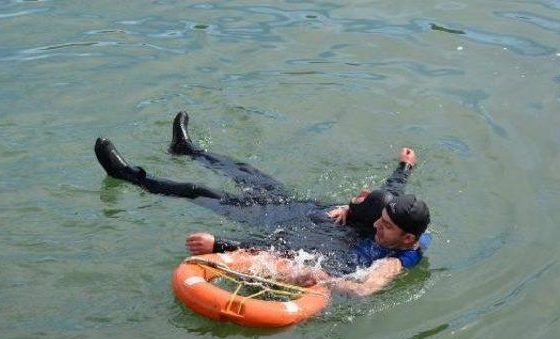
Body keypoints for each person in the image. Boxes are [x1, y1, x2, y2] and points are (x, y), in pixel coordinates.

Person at [95, 111, 430, 295]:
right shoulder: (388, 218)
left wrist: (221, 245)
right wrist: (404, 166)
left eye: (384, 227)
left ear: (407, 239)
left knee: (199, 191)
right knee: (249, 174)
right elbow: (392, 191)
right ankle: (188, 150)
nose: (377, 226)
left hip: (280, 222)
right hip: (303, 207)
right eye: (378, 218)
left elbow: (280, 251)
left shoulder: (381, 254)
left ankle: (127, 175)